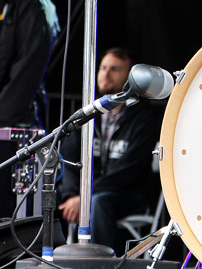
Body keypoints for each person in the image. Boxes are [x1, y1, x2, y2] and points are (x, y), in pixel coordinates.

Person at [57, 47, 164, 255]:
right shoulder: (87, 113)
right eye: (103, 67)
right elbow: (67, 157)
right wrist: (74, 195)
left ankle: (102, 263)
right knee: (52, 197)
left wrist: (85, 196)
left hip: (129, 195)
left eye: (115, 69)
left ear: (130, 77)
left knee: (98, 202)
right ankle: (54, 260)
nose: (105, 74)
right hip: (87, 194)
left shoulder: (144, 118)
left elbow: (128, 170)